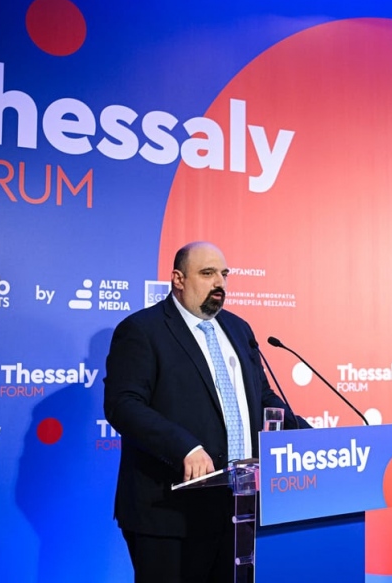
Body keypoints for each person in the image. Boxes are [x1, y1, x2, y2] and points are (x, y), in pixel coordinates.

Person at [104, 241, 306, 583]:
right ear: (178, 279)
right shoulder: (143, 330)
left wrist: (310, 438)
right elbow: (123, 404)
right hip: (170, 514)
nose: (219, 283)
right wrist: (184, 447)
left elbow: (263, 397)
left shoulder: (238, 329)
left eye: (224, 274)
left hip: (240, 508)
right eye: (207, 273)